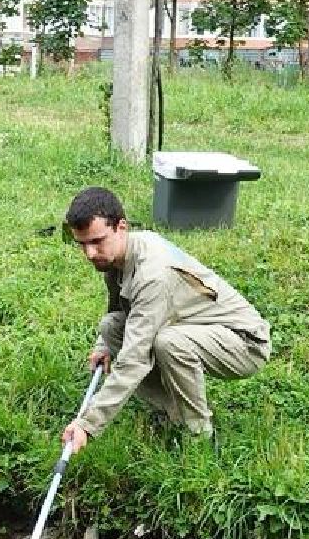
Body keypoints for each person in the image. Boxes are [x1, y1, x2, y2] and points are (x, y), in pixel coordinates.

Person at [59, 187, 271, 453]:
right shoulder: (117, 255)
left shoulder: (152, 275)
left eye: (97, 241)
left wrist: (88, 424)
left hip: (244, 343)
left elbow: (134, 359)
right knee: (111, 327)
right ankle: (173, 414)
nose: (90, 253)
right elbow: (119, 309)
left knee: (168, 343)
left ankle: (199, 437)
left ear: (121, 227)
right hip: (193, 325)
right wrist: (104, 346)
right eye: (82, 244)